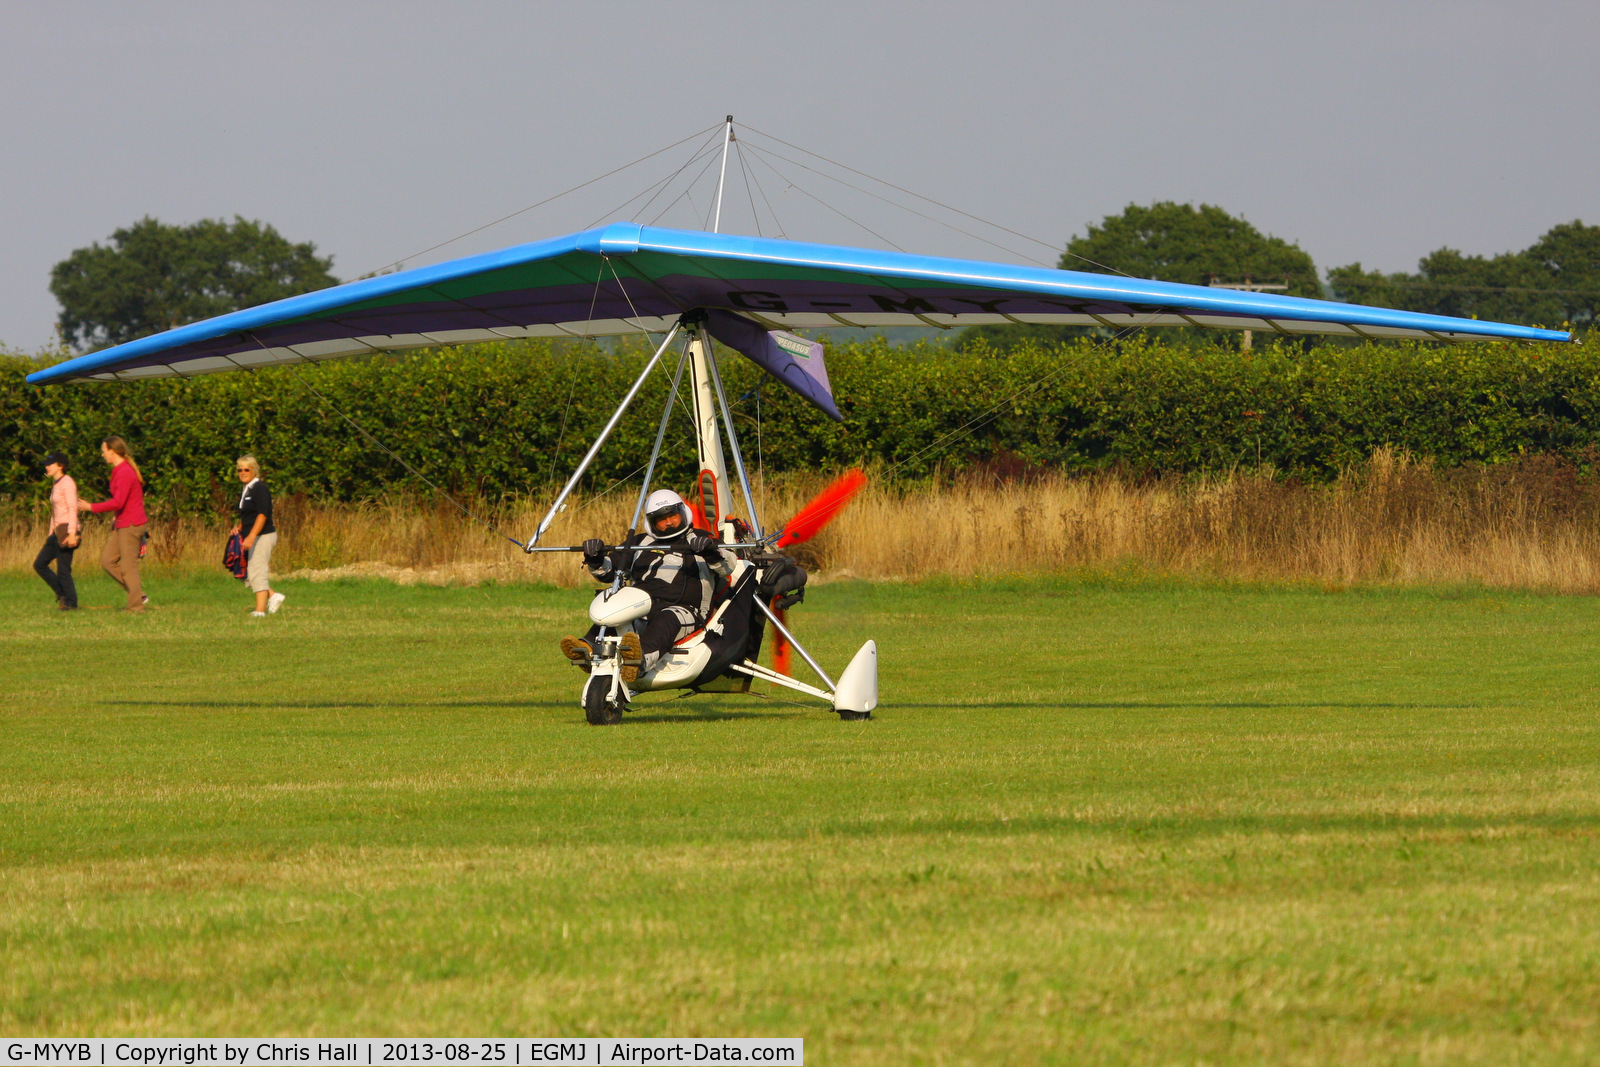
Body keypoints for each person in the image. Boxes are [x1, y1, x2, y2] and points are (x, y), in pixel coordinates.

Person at [561, 489, 733, 681]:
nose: (669, 522)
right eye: (661, 519)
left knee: (667, 618)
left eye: (673, 515)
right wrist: (595, 558)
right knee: (617, 611)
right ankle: (589, 648)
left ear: (682, 513)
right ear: (652, 523)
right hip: (643, 607)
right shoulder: (640, 542)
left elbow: (728, 565)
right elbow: (609, 571)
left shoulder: (701, 539)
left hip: (685, 610)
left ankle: (639, 662)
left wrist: (710, 552)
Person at [77, 435, 148, 612]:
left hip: (131, 524)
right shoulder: (118, 470)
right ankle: (138, 595)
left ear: (112, 451)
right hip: (123, 522)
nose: (102, 455)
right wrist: (116, 517)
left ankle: (136, 606)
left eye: (103, 451)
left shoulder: (124, 472)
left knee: (127, 567)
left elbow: (118, 502)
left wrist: (90, 507)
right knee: (107, 561)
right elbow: (124, 501)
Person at [231, 455, 285, 617]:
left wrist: (252, 536)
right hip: (250, 535)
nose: (242, 472)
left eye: (246, 469)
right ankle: (273, 595)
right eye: (239, 470)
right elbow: (249, 514)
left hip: (263, 535)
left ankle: (260, 611)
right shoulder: (247, 488)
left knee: (257, 570)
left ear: (254, 470)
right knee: (243, 571)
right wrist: (239, 528)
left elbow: (262, 515)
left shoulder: (259, 488)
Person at [34, 451, 80, 611]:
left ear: (60, 466)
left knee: (63, 571)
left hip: (67, 530)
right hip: (56, 532)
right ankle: (62, 594)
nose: (46, 467)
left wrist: (73, 533)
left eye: (49, 464)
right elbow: (56, 511)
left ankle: (71, 604)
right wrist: (50, 534)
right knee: (39, 564)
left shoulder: (67, 483)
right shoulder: (56, 484)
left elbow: (72, 508)